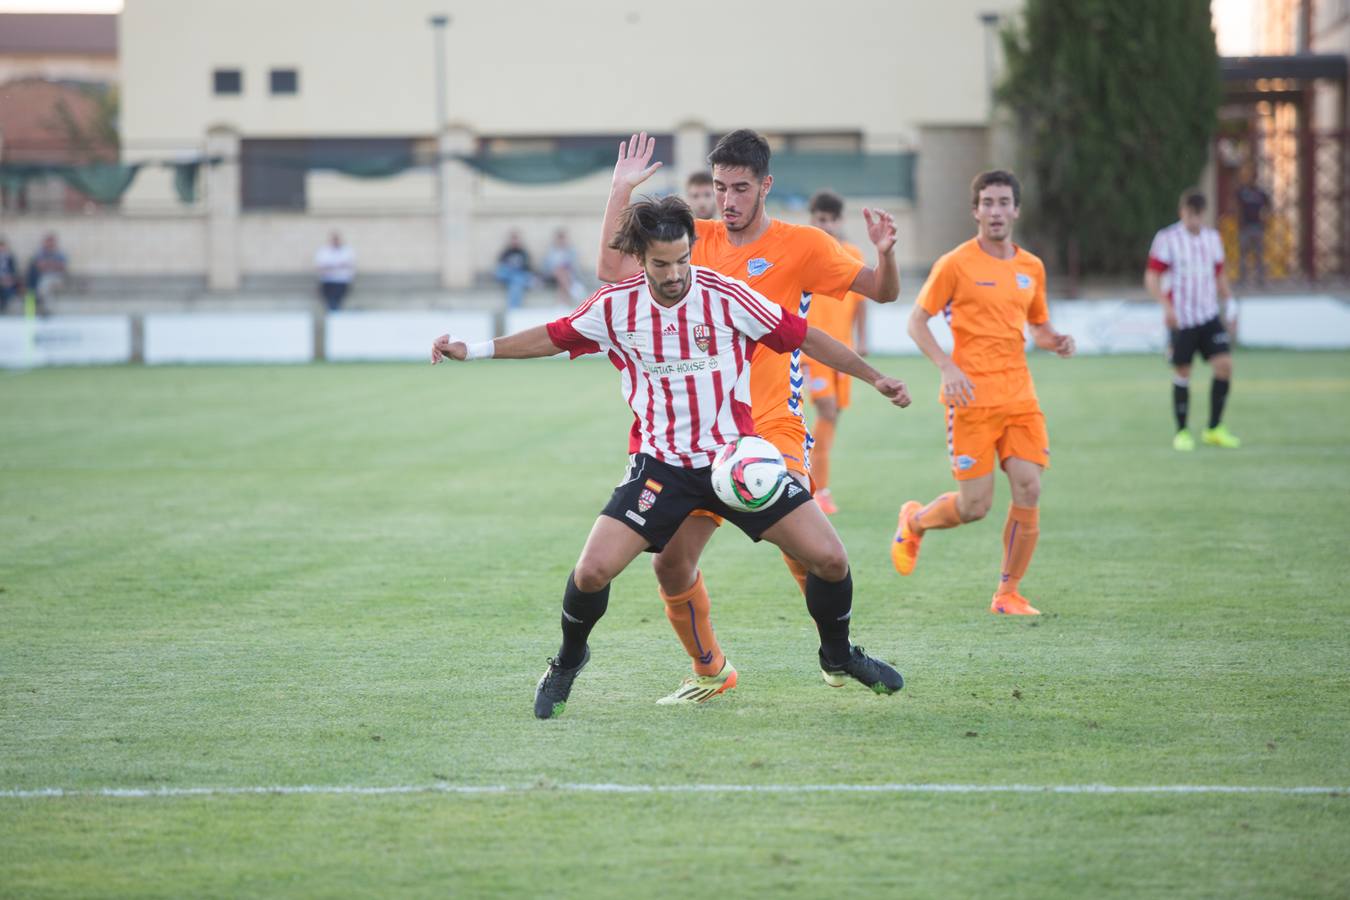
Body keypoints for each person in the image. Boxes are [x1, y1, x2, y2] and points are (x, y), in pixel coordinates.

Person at [432, 196, 910, 718]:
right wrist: (474, 349)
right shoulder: (616, 308)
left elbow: (805, 336)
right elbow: (553, 337)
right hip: (661, 468)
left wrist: (875, 377)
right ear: (641, 258)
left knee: (830, 558)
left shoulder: (727, 297)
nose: (676, 272)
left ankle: (838, 654)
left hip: (735, 463)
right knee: (592, 572)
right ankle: (568, 660)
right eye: (662, 263)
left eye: (683, 259)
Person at [597, 130, 901, 702]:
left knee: (805, 549)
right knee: (670, 566)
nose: (727, 200)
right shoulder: (693, 240)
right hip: (701, 438)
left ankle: (837, 653)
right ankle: (710, 670)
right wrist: (620, 191)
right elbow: (613, 272)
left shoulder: (804, 245)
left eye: (740, 188)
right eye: (719, 188)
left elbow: (880, 292)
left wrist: (885, 254)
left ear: (765, 185)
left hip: (770, 427)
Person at [891, 170, 1076, 616]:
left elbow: (1037, 323)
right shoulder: (955, 264)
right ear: (975, 210)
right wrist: (947, 366)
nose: (996, 211)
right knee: (975, 506)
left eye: (1003, 202)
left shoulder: (1031, 267)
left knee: (1029, 489)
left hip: (1020, 398)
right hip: (971, 399)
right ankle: (914, 521)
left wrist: (1055, 340)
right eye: (987, 203)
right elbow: (916, 321)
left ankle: (1007, 593)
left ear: (1016, 210)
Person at [1145, 189, 1240, 451]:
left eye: (1198, 216)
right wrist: (1167, 307)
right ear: (1182, 213)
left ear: (1204, 214)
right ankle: (1182, 431)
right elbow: (1152, 277)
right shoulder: (1167, 239)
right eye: (1189, 215)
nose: (1194, 221)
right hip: (1182, 318)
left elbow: (1219, 274)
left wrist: (1229, 303)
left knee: (1224, 365)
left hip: (1209, 315)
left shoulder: (1213, 239)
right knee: (1183, 371)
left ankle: (1214, 428)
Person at [802, 190, 869, 515]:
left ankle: (816, 482)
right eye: (818, 220)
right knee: (826, 410)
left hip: (842, 351)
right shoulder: (807, 254)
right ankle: (816, 487)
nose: (823, 226)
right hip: (811, 352)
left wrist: (862, 338)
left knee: (833, 416)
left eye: (828, 220)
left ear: (840, 221)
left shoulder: (852, 254)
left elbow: (861, 302)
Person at [1235, 175, 1270, 287]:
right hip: (1245, 227)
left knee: (1259, 255)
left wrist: (1265, 218)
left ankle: (1260, 280)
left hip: (1258, 227)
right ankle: (1243, 279)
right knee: (1243, 254)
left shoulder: (1260, 193)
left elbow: (1268, 206)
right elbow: (1236, 204)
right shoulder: (1243, 192)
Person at [314, 231, 356, 312]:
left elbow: (349, 265)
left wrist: (332, 266)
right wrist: (338, 266)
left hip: (342, 280)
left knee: (337, 298)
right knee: (329, 299)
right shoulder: (324, 251)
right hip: (327, 281)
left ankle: (335, 310)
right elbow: (321, 267)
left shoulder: (347, 251)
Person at [27, 233, 67, 317]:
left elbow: (62, 266)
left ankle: (45, 310)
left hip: (57, 278)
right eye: (48, 242)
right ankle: (47, 310)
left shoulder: (59, 253)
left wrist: (48, 264)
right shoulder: (40, 252)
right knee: (46, 287)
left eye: (51, 242)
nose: (50, 244)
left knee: (45, 286)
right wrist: (53, 264)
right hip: (44, 277)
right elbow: (40, 266)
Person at [543, 228, 586, 302]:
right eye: (559, 239)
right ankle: (572, 291)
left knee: (562, 276)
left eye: (562, 238)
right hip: (552, 275)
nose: (561, 241)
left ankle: (562, 302)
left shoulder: (571, 251)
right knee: (559, 272)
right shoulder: (551, 251)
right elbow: (547, 266)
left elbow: (574, 265)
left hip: (568, 275)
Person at [495, 230, 534, 309]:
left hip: (518, 275)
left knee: (516, 284)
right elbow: (501, 264)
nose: (514, 242)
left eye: (516, 239)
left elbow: (527, 267)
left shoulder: (523, 252)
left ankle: (514, 307)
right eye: (513, 240)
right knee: (502, 272)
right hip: (508, 274)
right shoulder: (506, 252)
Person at [0, 238, 21, 314]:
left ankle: (4, 310)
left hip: (8, 282)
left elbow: (14, 272)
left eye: (3, 247)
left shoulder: (11, 258)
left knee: (7, 289)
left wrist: (9, 279)